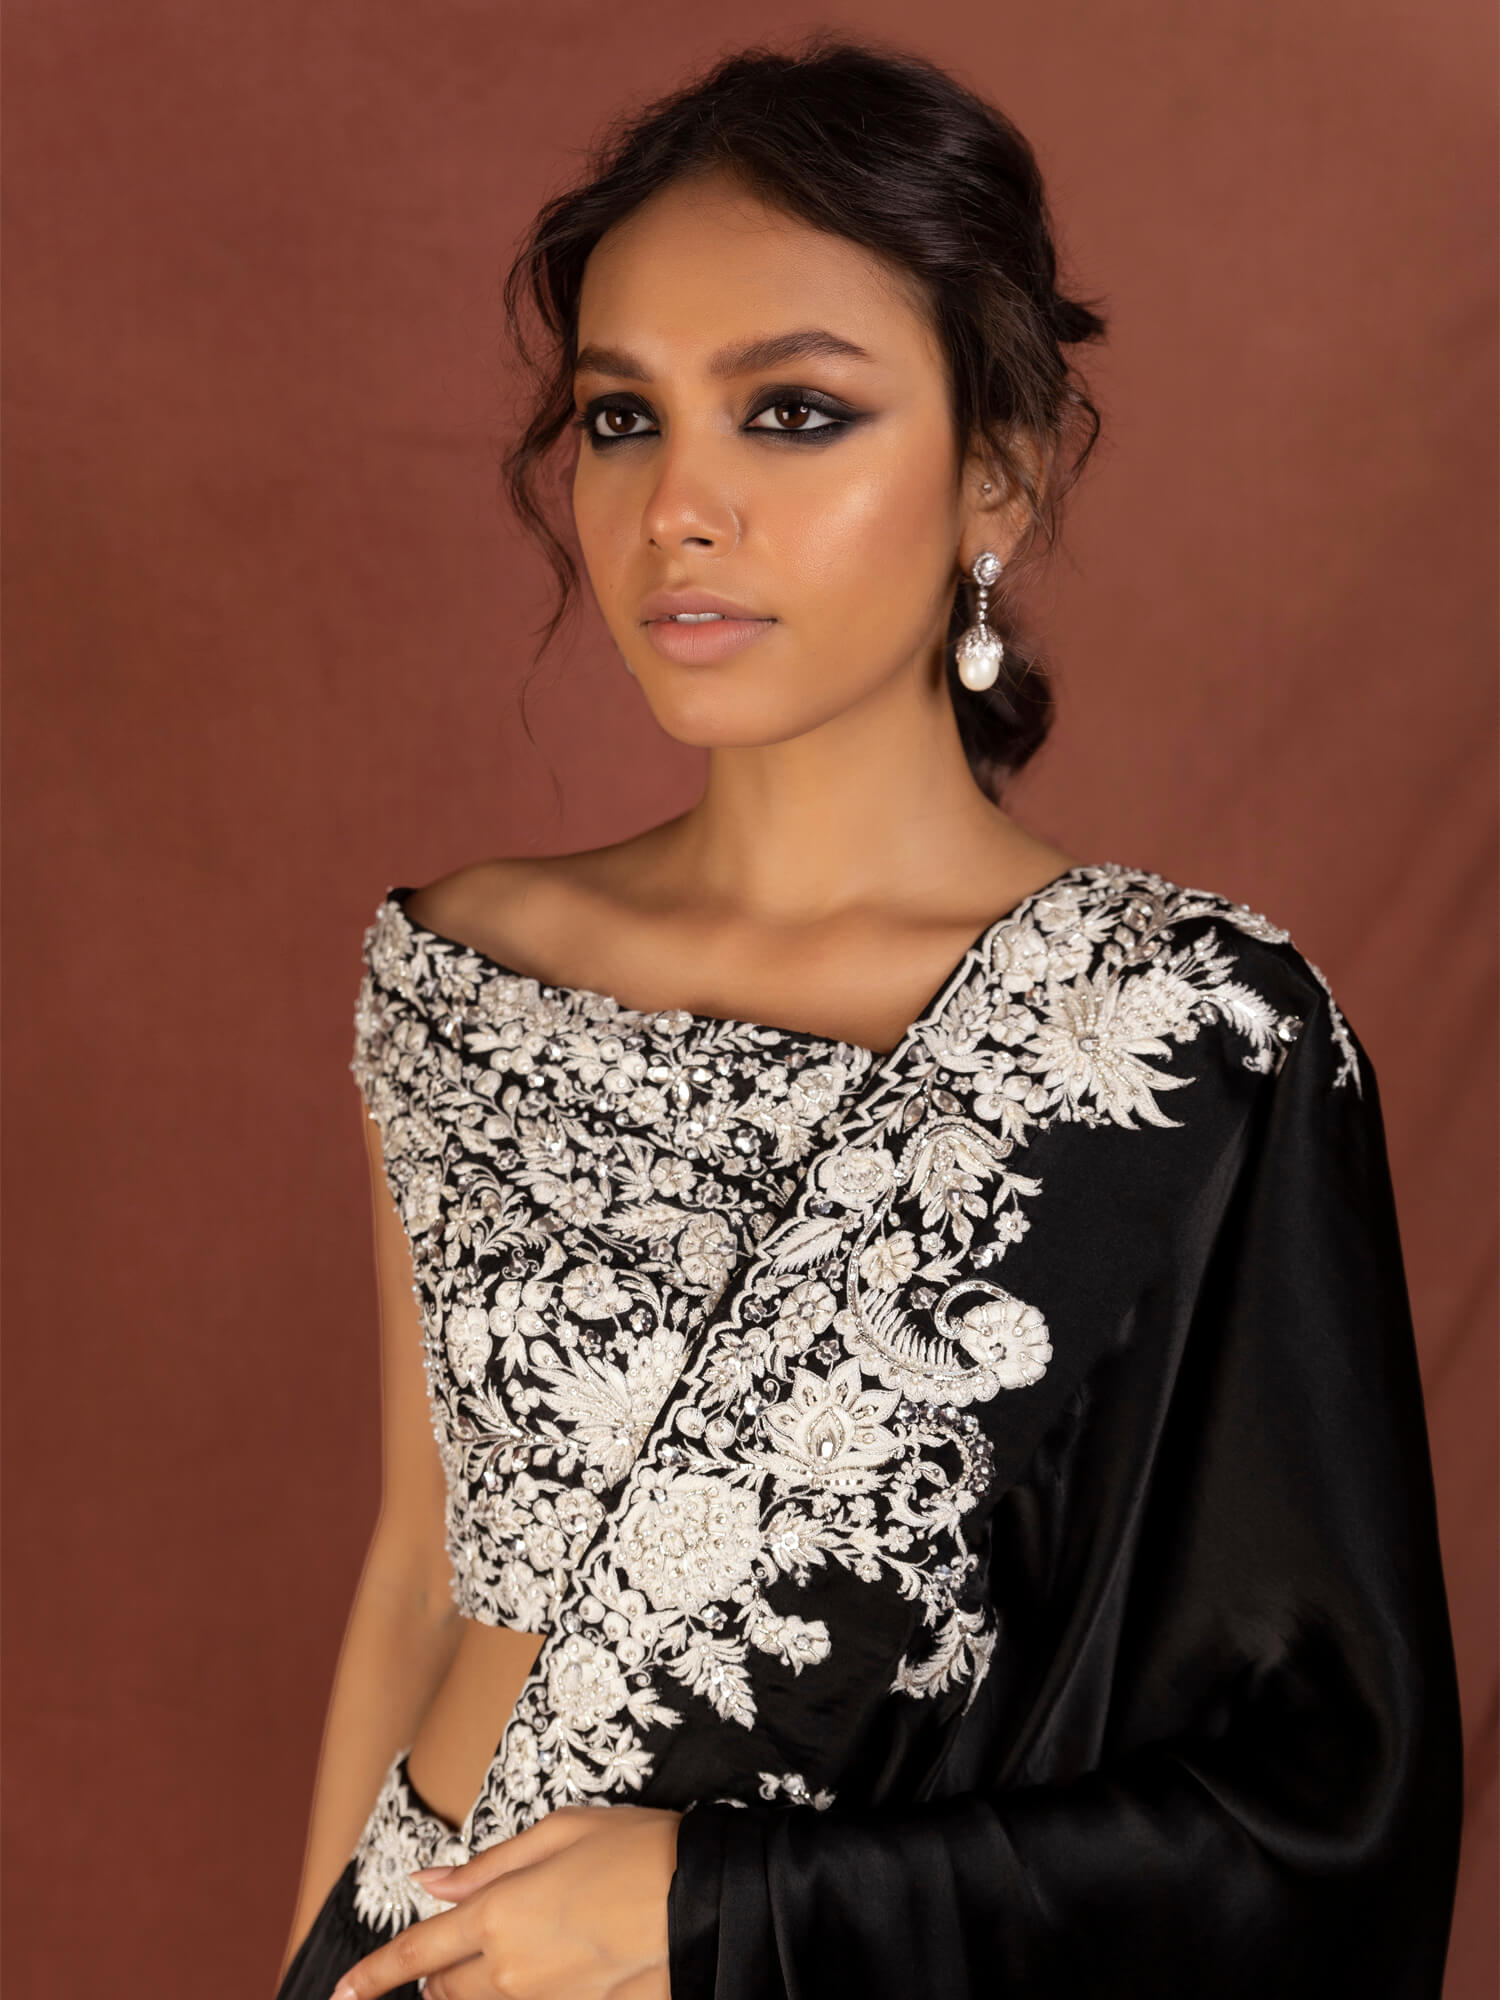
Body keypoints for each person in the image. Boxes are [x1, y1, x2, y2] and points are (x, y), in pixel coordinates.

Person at [275, 37, 1464, 2000]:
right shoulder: (458, 971)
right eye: (624, 418)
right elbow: (423, 1571)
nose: (680, 508)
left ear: (1000, 468)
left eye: (795, 413)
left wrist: (719, 1912)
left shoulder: (1187, 1040)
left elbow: (1319, 1804)